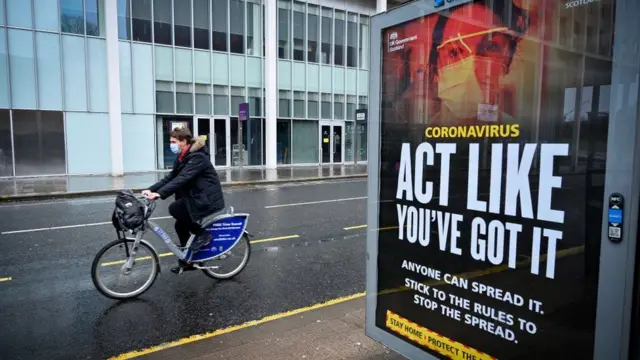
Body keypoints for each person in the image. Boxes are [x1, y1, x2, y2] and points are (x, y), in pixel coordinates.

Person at [143, 126, 225, 274]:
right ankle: (189, 261)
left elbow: (183, 178)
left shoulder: (198, 157)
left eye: (173, 141)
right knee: (180, 226)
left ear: (184, 141)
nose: (171, 144)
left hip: (206, 198)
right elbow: (171, 177)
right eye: (171, 141)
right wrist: (152, 189)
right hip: (196, 196)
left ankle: (203, 234)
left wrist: (160, 194)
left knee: (175, 209)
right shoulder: (183, 156)